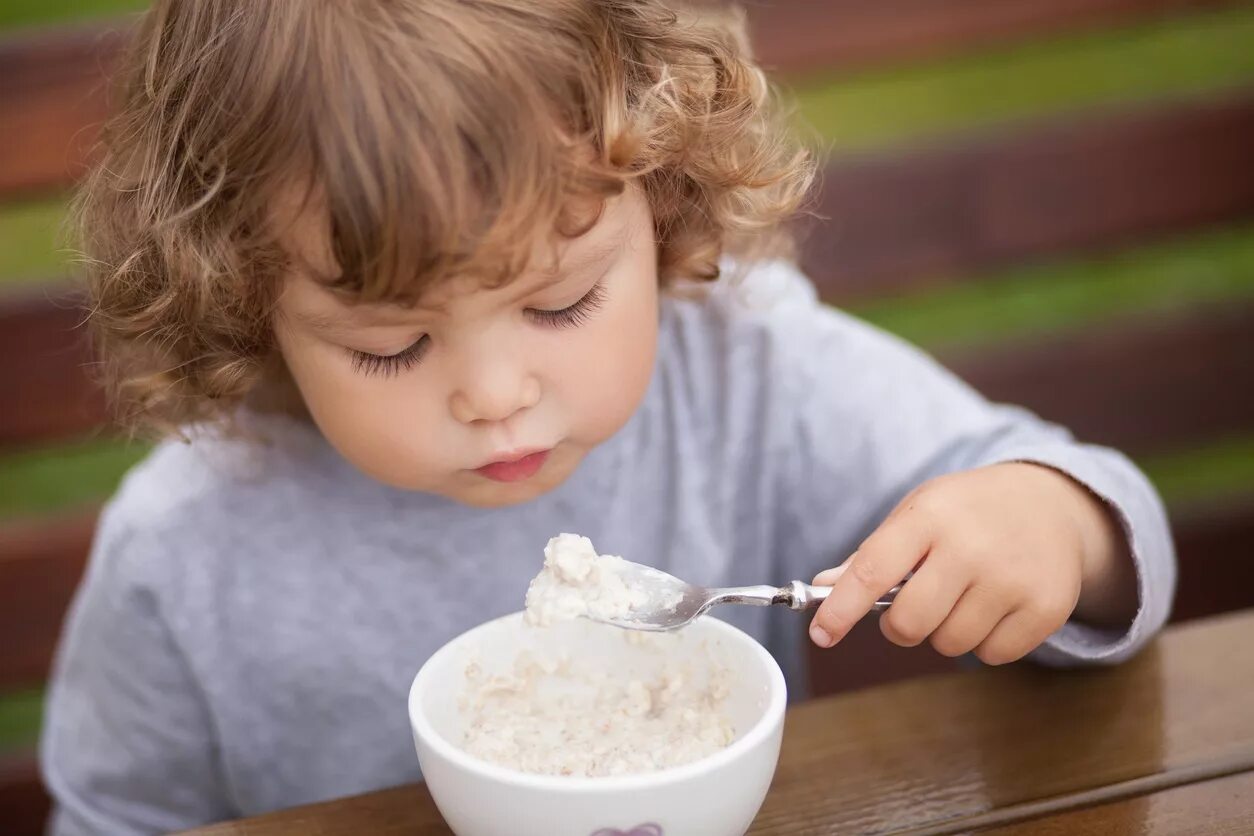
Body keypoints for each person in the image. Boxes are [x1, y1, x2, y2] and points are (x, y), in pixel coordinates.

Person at [40, 1, 1175, 833]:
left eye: (562, 300)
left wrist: (1049, 524)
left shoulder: (745, 374)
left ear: (664, 200)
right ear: (243, 299)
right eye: (392, 344)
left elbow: (1091, 514)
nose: (495, 394)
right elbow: (110, 815)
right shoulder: (187, 553)